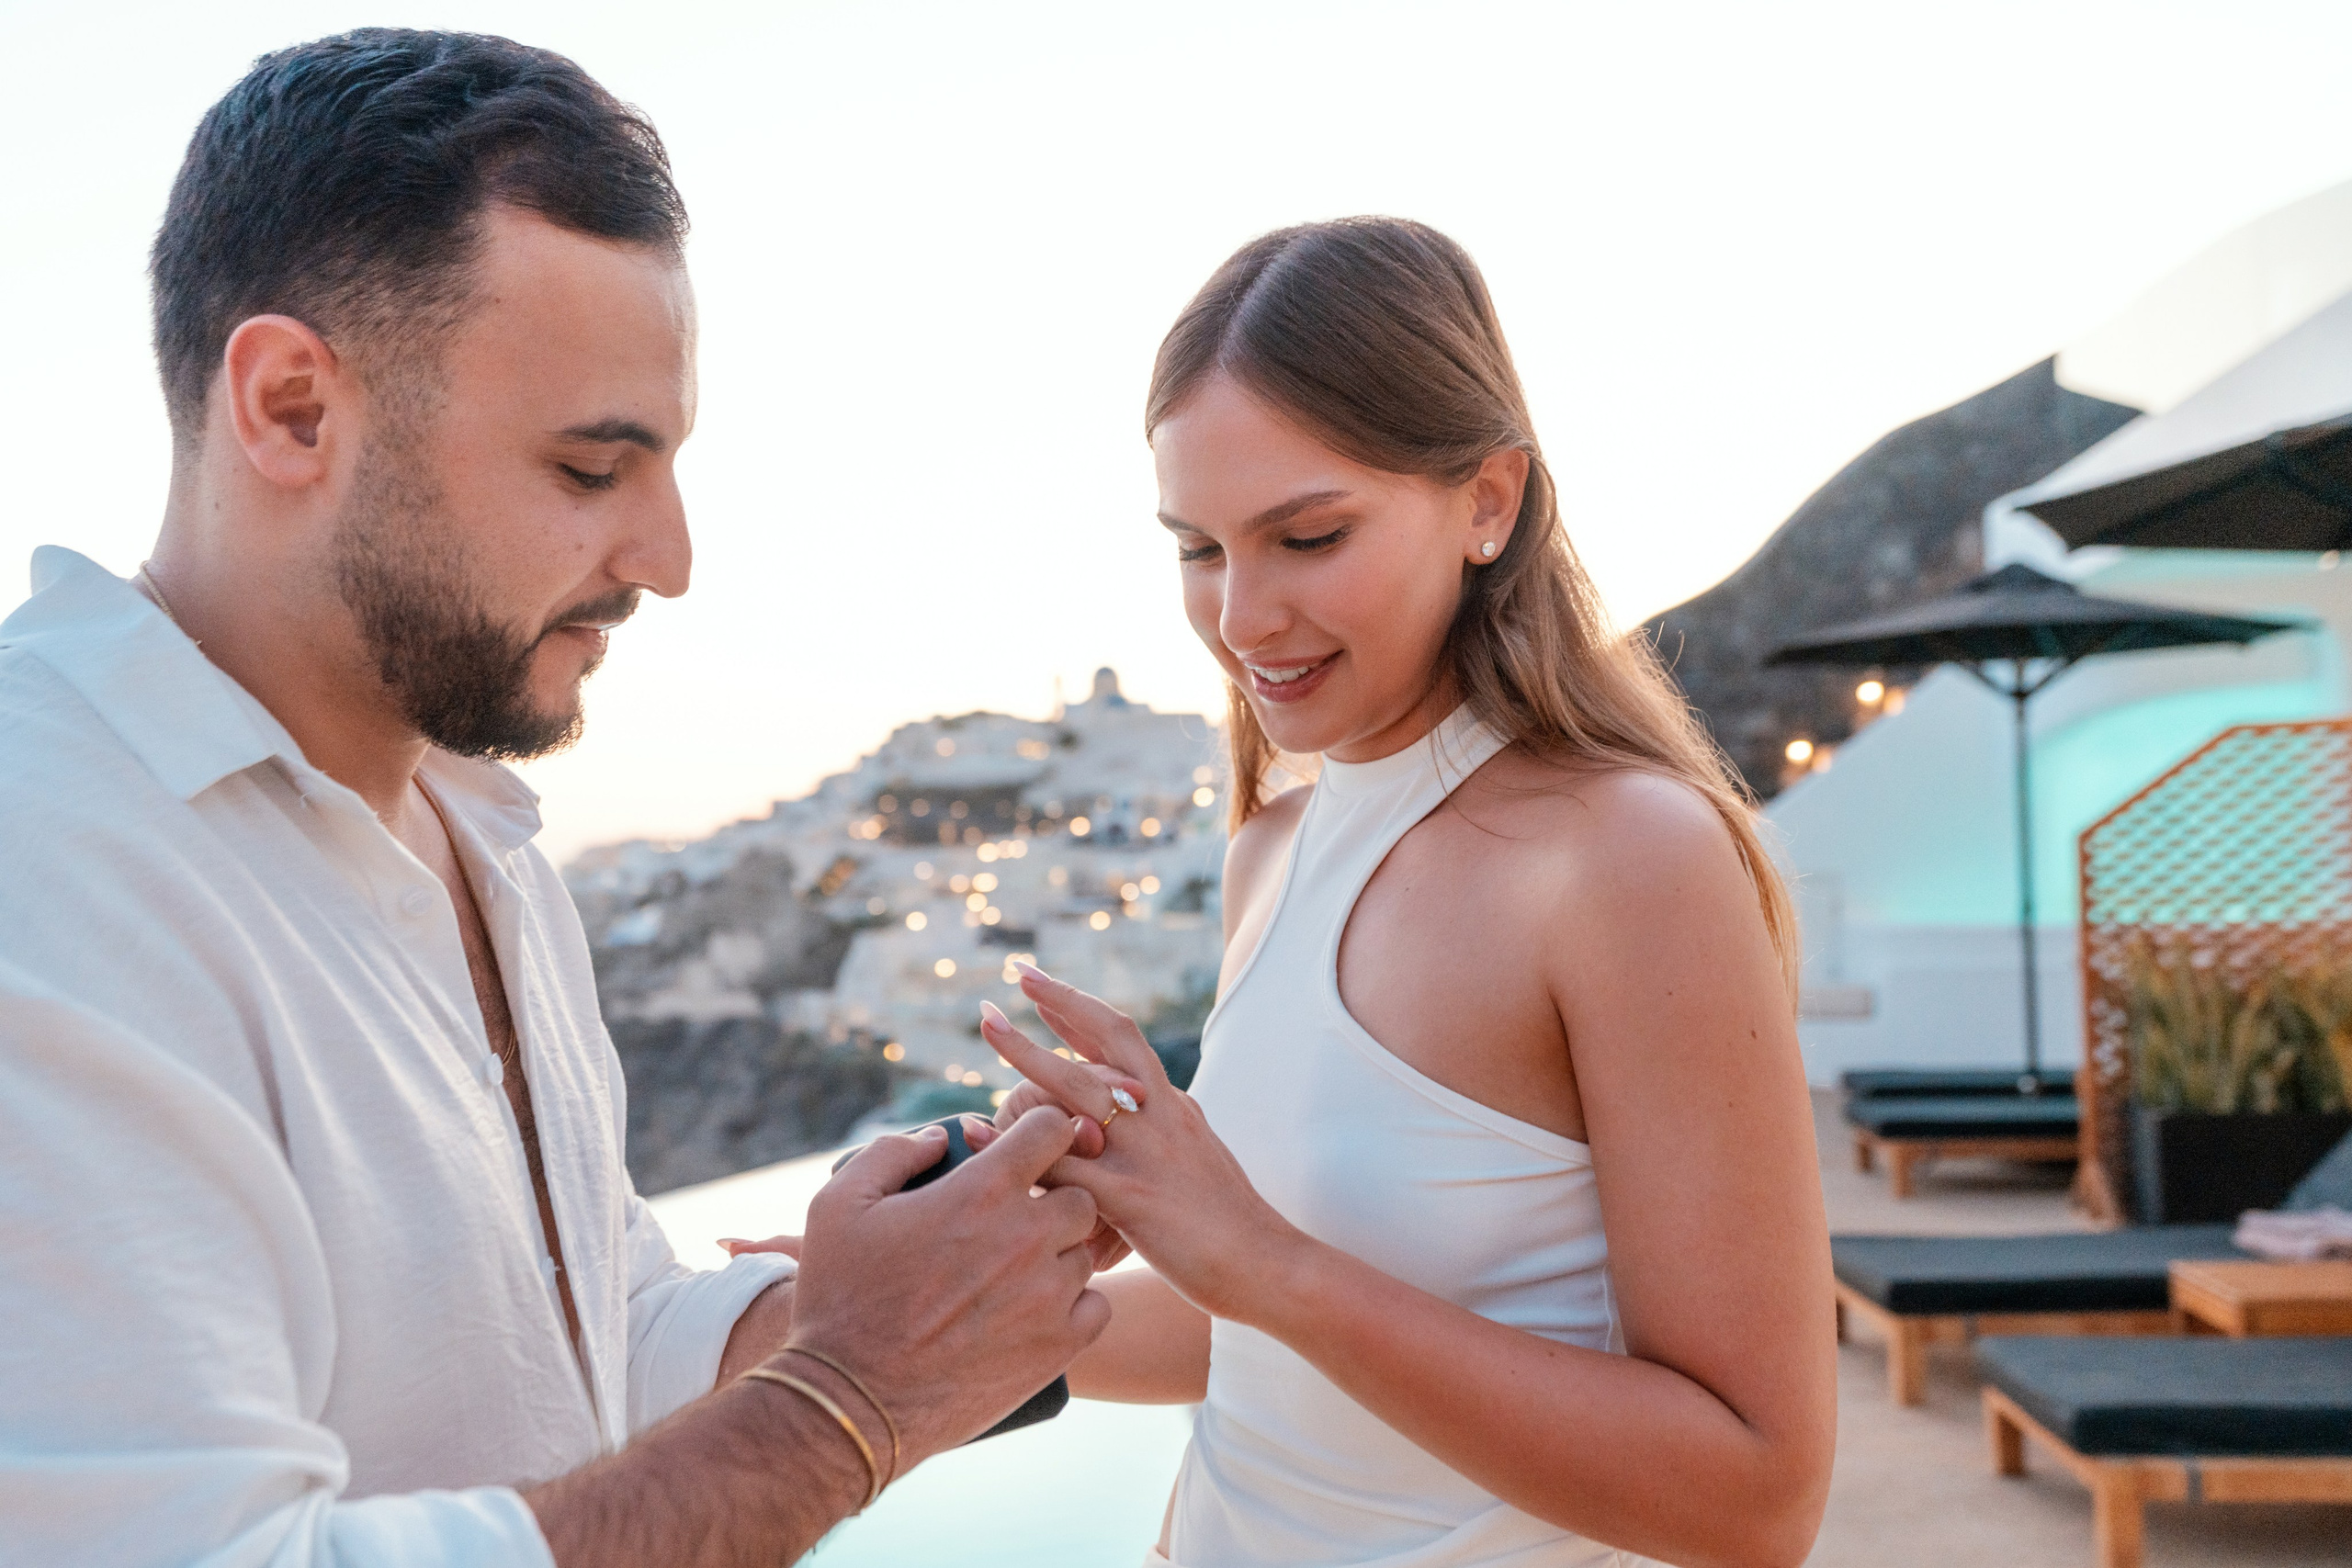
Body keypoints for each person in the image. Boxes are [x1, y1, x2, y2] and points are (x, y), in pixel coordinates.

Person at [0, 29, 1105, 1568]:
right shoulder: (46, 869)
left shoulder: (474, 821)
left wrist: (897, 1302)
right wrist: (854, 1396)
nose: (669, 557)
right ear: (294, 410)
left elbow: (588, 1327)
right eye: (594, 470)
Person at [978, 219, 1838, 1568]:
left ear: (1488, 502)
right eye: (1198, 549)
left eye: (1307, 535)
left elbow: (1756, 1497)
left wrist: (1257, 1254)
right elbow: (1259, 1341)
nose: (1241, 617)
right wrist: (883, 1317)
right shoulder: (1273, 846)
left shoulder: (1624, 859)